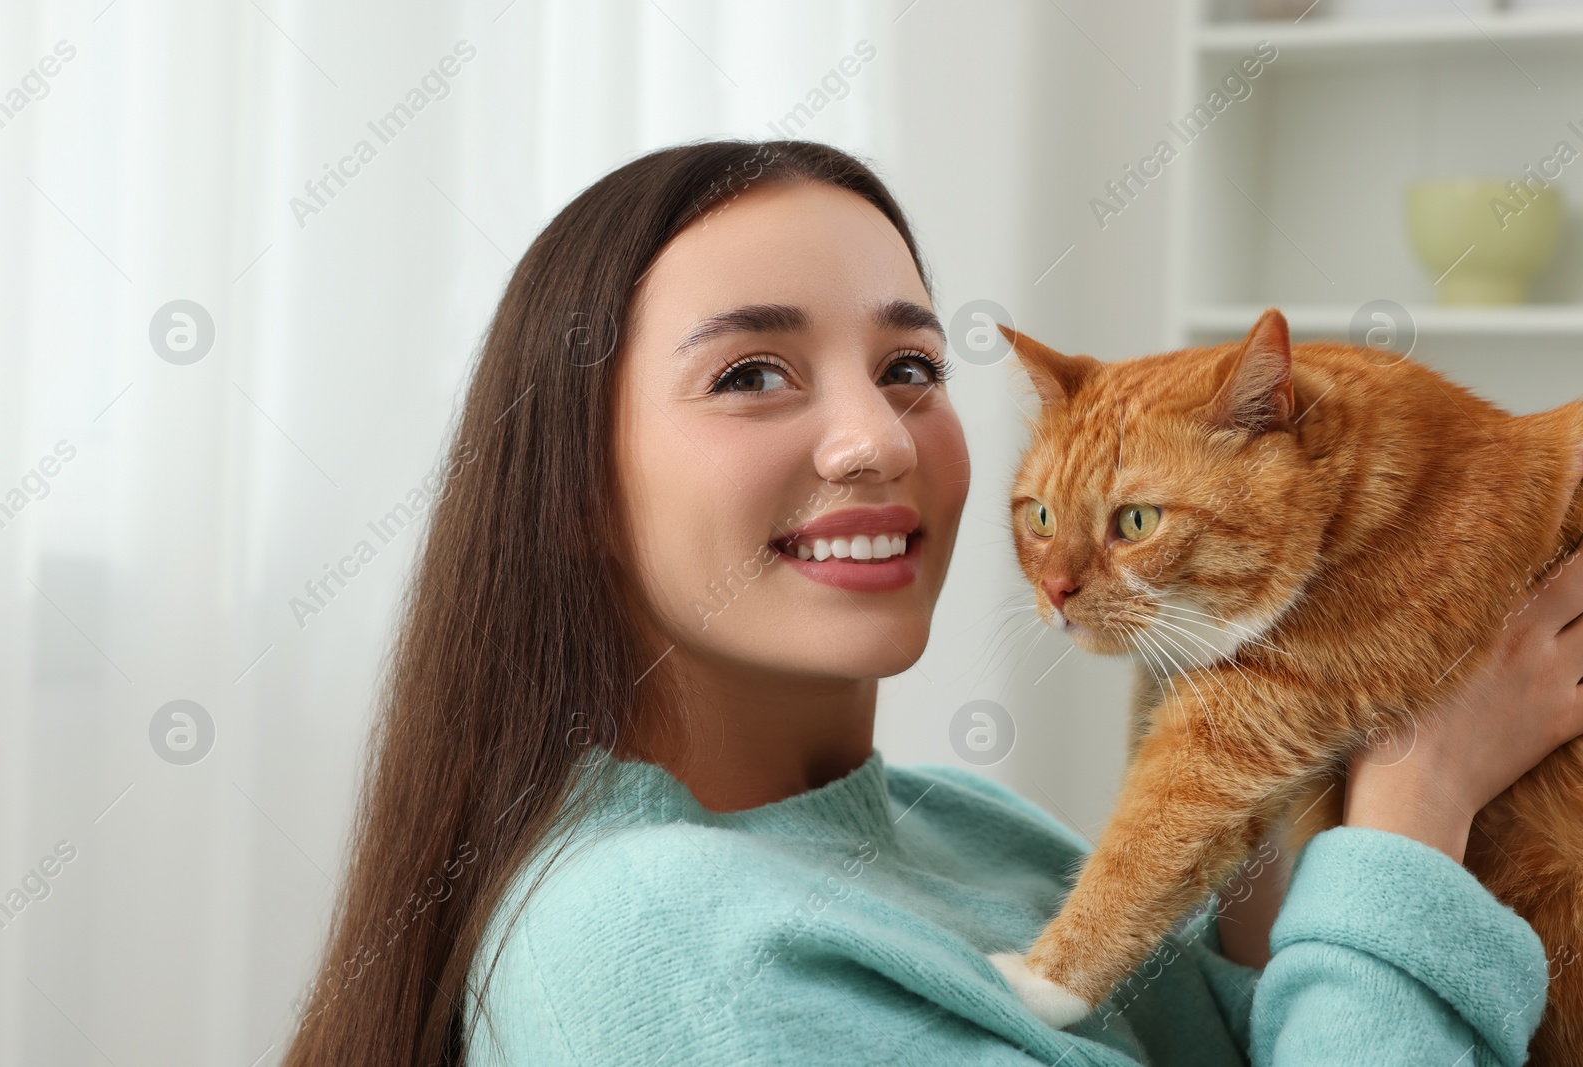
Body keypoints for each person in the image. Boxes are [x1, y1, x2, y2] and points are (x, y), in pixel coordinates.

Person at [279, 139, 1583, 1067]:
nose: (877, 441)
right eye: (751, 374)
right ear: (575, 492)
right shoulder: (652, 936)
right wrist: (1421, 797)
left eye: (910, 364)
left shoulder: (962, 833)